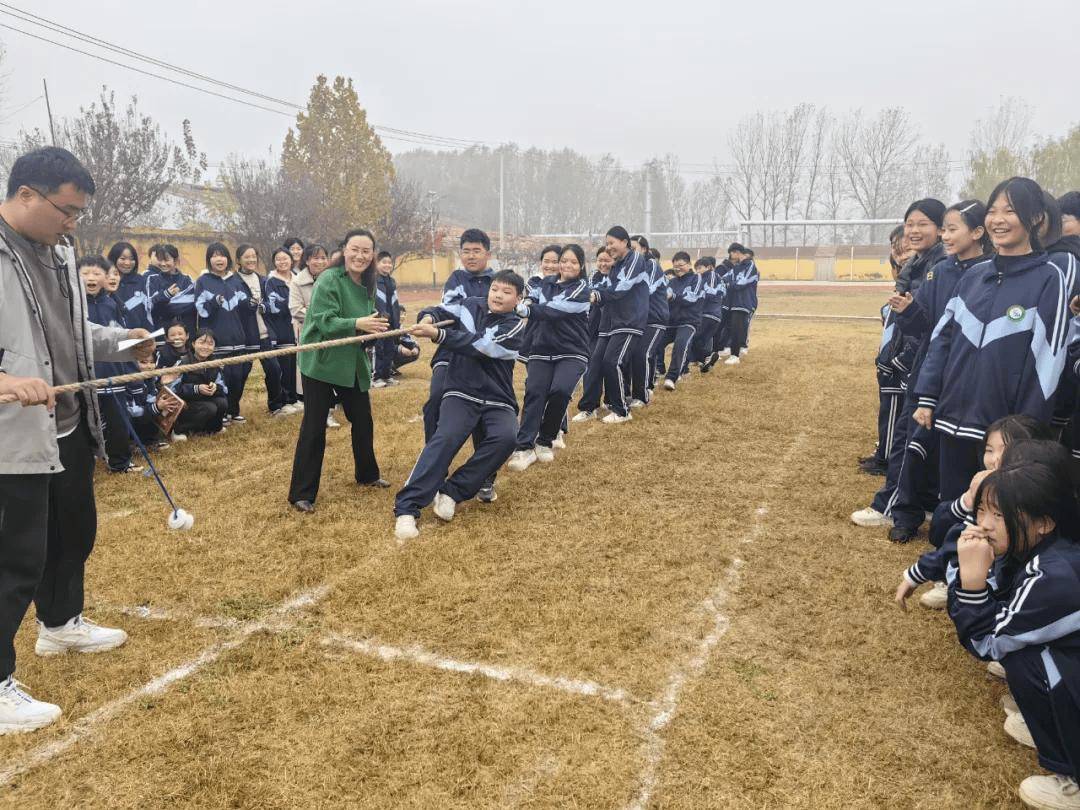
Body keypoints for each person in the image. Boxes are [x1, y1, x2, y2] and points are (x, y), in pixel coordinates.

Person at [0, 146, 154, 733]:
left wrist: (120, 341)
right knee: (14, 557)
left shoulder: (59, 255)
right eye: (67, 211)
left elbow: (68, 330)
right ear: (26, 195)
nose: (73, 224)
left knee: (73, 532)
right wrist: (8, 381)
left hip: (65, 421)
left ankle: (61, 624)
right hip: (12, 435)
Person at [914, 177, 1076, 501]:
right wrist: (928, 396)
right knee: (952, 507)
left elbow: (1048, 363)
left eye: (1010, 211)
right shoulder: (974, 275)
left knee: (994, 514)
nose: (997, 220)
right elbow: (942, 339)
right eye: (992, 210)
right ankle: (949, 553)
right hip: (952, 419)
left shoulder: (1049, 278)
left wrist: (1022, 433)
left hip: (1001, 435)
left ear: (1035, 219)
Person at [946, 449, 1080, 809]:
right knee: (1023, 652)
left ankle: (1073, 778)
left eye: (1000, 514)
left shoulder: (1052, 575)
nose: (985, 524)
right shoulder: (1041, 551)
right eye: (983, 511)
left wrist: (972, 583)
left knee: (1026, 662)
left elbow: (987, 642)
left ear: (1044, 522)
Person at [394, 270, 527, 540]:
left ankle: (453, 490)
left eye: (506, 292)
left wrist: (438, 335)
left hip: (497, 397)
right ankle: (407, 508)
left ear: (519, 298)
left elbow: (481, 345)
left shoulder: (515, 326)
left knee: (507, 438)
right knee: (445, 438)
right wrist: (428, 317)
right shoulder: (469, 305)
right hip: (461, 390)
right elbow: (441, 309)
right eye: (495, 289)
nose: (498, 295)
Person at [850, 199, 949, 536]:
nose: (913, 232)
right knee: (914, 440)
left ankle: (891, 506)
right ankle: (919, 503)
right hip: (920, 365)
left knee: (906, 439)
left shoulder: (941, 268)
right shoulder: (920, 266)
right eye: (910, 224)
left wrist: (904, 360)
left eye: (922, 224)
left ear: (940, 227)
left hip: (924, 369)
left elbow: (935, 326)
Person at [895, 414, 1053, 610]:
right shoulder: (985, 489)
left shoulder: (1035, 501)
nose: (996, 460)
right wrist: (968, 500)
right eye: (989, 450)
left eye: (1007, 451)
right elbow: (943, 534)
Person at [288, 229, 390, 513]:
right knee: (314, 425)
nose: (360, 256)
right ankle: (301, 493)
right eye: (354, 249)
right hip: (322, 359)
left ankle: (367, 475)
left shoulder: (370, 282)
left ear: (372, 255)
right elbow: (325, 322)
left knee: (363, 419)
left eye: (366, 251)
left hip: (351, 360)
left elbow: (366, 323)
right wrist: (360, 323)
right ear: (344, 250)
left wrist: (375, 329)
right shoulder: (329, 279)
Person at [420, 228, 499, 502]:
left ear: (488, 254)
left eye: (477, 251)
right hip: (451, 354)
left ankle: (485, 477)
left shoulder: (497, 282)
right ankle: (434, 472)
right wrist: (428, 316)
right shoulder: (456, 279)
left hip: (482, 357)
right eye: (466, 251)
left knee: (483, 412)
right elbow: (446, 310)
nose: (471, 256)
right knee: (434, 402)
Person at [507, 245, 591, 471]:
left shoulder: (582, 288)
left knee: (560, 391)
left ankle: (545, 440)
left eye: (574, 262)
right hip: (541, 349)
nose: (567, 265)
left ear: (581, 265)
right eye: (564, 261)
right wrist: (525, 303)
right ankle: (523, 447)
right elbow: (531, 297)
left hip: (572, 351)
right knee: (534, 393)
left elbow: (556, 309)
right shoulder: (544, 283)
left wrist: (528, 310)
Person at [79, 256, 142, 474]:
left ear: (106, 278)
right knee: (84, 426)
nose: (91, 278)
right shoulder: (73, 306)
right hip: (85, 377)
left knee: (118, 421)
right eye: (85, 273)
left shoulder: (113, 303)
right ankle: (83, 468)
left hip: (113, 373)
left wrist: (133, 374)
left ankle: (120, 462)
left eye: (97, 273)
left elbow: (122, 340)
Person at [582, 226, 648, 423]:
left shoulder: (635, 259)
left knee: (613, 362)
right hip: (609, 323)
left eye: (612, 243)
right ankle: (591, 407)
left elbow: (621, 288)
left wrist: (597, 295)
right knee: (596, 362)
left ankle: (621, 410)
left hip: (628, 321)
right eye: (607, 244)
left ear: (625, 242)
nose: (608, 247)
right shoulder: (615, 266)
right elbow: (608, 291)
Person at [193, 242, 251, 423]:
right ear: (209, 259)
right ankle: (223, 411)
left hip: (238, 337)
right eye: (215, 255)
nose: (219, 259)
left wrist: (251, 303)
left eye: (223, 255)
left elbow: (245, 309)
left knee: (239, 376)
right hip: (217, 339)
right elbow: (201, 310)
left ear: (228, 259)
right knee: (222, 378)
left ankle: (234, 410)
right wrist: (214, 303)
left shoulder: (236, 281)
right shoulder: (203, 281)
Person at [235, 244, 285, 416]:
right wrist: (245, 305)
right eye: (246, 257)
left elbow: (273, 304)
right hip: (246, 335)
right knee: (240, 374)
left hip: (265, 333)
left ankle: (276, 405)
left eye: (253, 256)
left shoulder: (264, 280)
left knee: (274, 369)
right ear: (238, 260)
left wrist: (265, 306)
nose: (251, 260)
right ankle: (232, 410)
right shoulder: (234, 281)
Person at [170, 328, 229, 437]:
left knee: (222, 403)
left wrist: (215, 388)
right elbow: (172, 389)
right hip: (187, 404)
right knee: (209, 408)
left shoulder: (215, 363)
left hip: (205, 400)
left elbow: (224, 388)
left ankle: (212, 429)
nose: (205, 347)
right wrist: (196, 388)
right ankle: (179, 430)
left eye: (210, 344)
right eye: (201, 342)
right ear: (193, 344)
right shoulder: (183, 362)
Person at [661, 252, 704, 391]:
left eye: (680, 265)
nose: (677, 268)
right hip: (670, 322)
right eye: (675, 266)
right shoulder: (671, 282)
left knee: (680, 345)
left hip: (689, 321)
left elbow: (692, 298)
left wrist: (673, 296)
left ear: (689, 264)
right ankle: (653, 374)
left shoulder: (696, 278)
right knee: (654, 345)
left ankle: (671, 377)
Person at [265, 247, 301, 413]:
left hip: (298, 327)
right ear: (274, 262)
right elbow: (274, 307)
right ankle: (284, 401)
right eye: (278, 259)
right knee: (284, 367)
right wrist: (293, 304)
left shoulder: (297, 279)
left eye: (285, 258)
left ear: (291, 260)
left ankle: (294, 398)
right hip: (282, 329)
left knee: (294, 365)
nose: (282, 261)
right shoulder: (271, 281)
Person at [145, 243, 195, 341]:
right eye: (160, 260)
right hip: (162, 336)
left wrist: (164, 302)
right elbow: (151, 307)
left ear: (175, 260)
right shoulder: (152, 280)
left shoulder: (188, 279)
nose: (163, 264)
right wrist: (166, 295)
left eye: (166, 260)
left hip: (186, 337)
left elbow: (191, 305)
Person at [723, 243, 759, 364]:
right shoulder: (737, 267)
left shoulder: (750, 265)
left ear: (737, 253)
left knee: (739, 328)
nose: (731, 256)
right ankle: (733, 352)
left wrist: (730, 284)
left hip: (744, 302)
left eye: (732, 253)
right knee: (734, 328)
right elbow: (724, 278)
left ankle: (736, 355)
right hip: (735, 302)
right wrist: (729, 283)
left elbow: (741, 283)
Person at [372, 250, 402, 388]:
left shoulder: (392, 281)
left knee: (390, 348)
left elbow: (395, 302)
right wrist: (379, 316)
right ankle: (376, 377)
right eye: (384, 262)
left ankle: (386, 375)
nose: (387, 265)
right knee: (379, 348)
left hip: (392, 321)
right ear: (377, 263)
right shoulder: (373, 280)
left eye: (389, 263)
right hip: (379, 321)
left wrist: (396, 319)